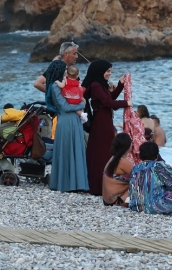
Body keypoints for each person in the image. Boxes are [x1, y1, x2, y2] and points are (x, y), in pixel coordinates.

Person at [82, 59, 132, 196]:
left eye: (110, 71)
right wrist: (126, 103)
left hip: (104, 120)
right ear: (100, 71)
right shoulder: (96, 85)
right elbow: (108, 102)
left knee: (103, 152)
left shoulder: (100, 84)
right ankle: (98, 186)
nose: (110, 74)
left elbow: (110, 97)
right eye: (108, 71)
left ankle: (102, 185)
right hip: (100, 122)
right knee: (102, 152)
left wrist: (121, 85)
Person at [46, 60, 89, 192]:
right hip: (66, 119)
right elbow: (64, 106)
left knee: (75, 148)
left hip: (72, 120)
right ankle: (67, 183)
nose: (66, 71)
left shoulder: (66, 86)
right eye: (64, 69)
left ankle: (75, 183)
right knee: (68, 149)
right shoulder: (55, 87)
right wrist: (82, 105)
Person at [128, 142, 172, 217]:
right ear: (157, 156)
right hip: (154, 208)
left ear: (140, 156)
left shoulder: (135, 168)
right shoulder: (158, 166)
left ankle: (171, 211)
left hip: (136, 207)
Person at [102, 133, 135, 206]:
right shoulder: (122, 161)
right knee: (141, 181)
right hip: (118, 201)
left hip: (108, 201)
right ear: (128, 145)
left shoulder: (113, 158)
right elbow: (141, 175)